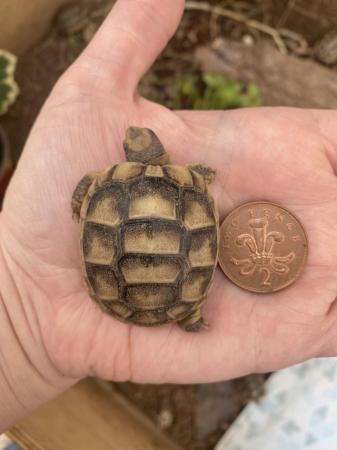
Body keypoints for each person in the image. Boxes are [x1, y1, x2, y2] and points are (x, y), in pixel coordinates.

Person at [1, 0, 337, 433]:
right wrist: (18, 321)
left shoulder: (109, 183)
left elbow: (86, 191)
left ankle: (189, 315)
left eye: (134, 141)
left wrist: (18, 324)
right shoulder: (190, 181)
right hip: (173, 293)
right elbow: (195, 189)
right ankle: (188, 314)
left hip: (118, 288)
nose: (130, 139)